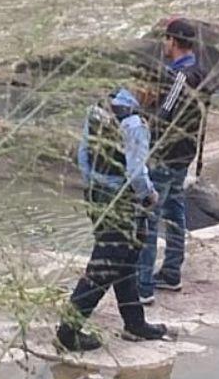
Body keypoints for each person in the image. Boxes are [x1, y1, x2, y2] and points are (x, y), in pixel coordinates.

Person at [56, 80, 170, 352]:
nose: (156, 100)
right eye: (156, 92)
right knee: (106, 265)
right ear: (146, 89)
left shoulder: (99, 108)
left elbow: (83, 153)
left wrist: (94, 182)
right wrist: (149, 196)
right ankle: (68, 331)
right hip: (121, 200)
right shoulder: (134, 125)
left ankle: (134, 323)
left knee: (126, 260)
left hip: (96, 193)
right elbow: (136, 172)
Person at [138, 17, 208, 303]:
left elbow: (165, 115)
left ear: (173, 41)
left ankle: (142, 286)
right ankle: (171, 271)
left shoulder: (180, 76)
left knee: (149, 216)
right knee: (175, 209)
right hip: (186, 151)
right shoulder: (201, 71)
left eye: (166, 39)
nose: (163, 45)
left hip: (167, 153)